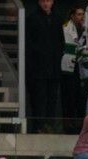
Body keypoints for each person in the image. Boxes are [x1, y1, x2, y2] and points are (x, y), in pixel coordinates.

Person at [26, 0, 64, 133]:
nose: (45, 3)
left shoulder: (57, 18)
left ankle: (49, 126)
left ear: (52, 2)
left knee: (52, 99)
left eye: (48, 0)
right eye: (43, 1)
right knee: (39, 98)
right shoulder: (32, 18)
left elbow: (61, 41)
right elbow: (29, 43)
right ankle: (38, 126)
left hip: (54, 66)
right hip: (38, 67)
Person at [61, 4, 88, 127]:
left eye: (83, 14)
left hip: (81, 67)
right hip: (68, 68)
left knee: (80, 96)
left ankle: (79, 123)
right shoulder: (66, 27)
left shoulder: (85, 28)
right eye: (79, 14)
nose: (82, 17)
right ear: (72, 16)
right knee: (69, 96)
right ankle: (68, 124)